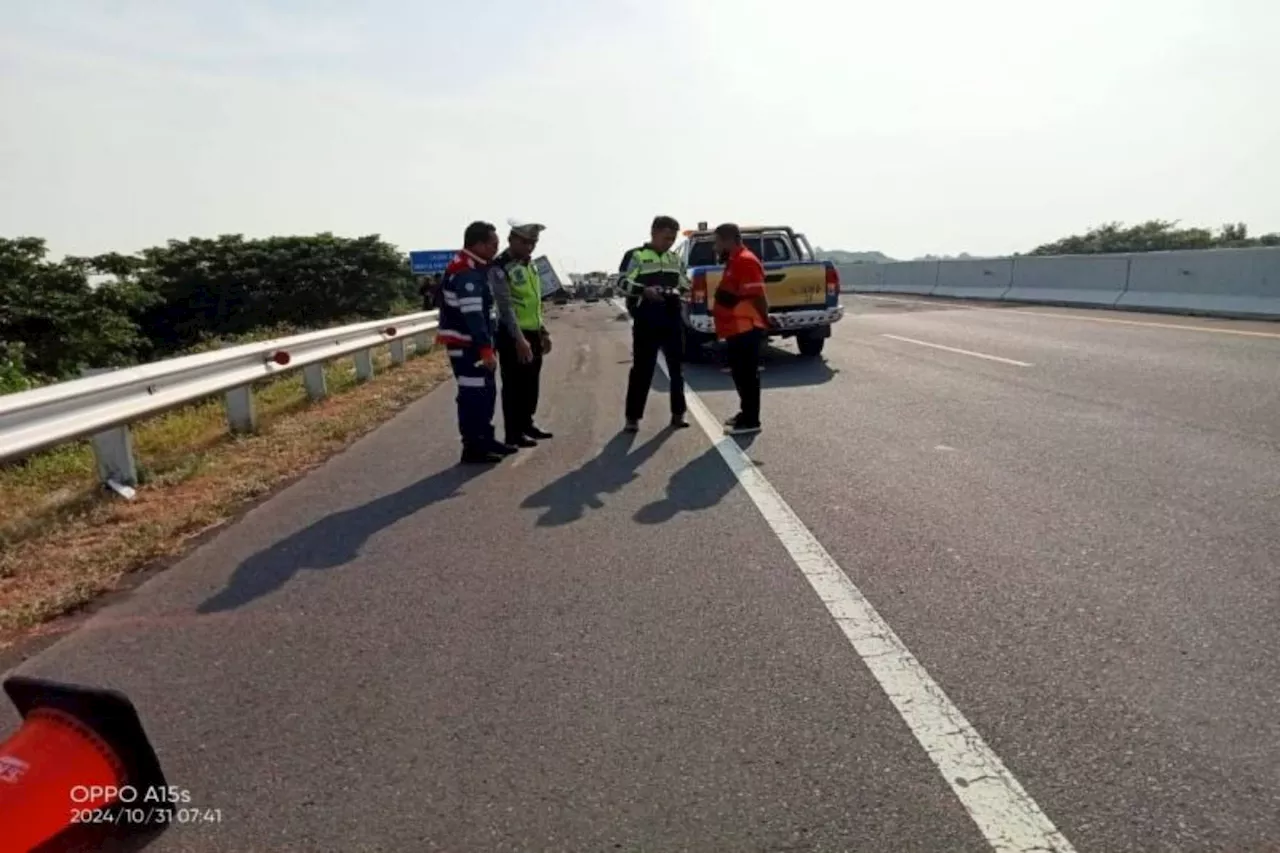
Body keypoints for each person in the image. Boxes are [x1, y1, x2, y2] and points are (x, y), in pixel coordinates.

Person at [436, 221, 517, 464]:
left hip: (476, 345)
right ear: (479, 244)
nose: (496, 248)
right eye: (493, 244)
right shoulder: (466, 272)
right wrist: (485, 349)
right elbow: (474, 316)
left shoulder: (476, 267)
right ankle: (473, 446)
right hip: (467, 347)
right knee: (474, 396)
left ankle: (485, 439)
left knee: (486, 392)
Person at [619, 215, 691, 432]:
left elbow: (684, 282)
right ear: (654, 232)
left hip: (671, 316)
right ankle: (633, 417)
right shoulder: (637, 255)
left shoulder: (675, 259)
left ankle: (678, 414)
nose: (669, 242)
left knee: (677, 369)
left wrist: (679, 290)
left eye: (672, 239)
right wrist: (644, 291)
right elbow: (622, 282)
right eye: (666, 237)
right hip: (646, 318)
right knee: (642, 369)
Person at [491, 220, 554, 448]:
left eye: (533, 242)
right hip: (513, 335)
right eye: (525, 241)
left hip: (533, 332)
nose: (530, 246)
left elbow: (534, 303)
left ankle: (527, 424)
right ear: (511, 240)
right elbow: (505, 307)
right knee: (514, 386)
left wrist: (543, 331)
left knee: (531, 383)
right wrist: (519, 339)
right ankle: (513, 434)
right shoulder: (500, 267)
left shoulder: (531, 265)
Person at [712, 222, 773, 435]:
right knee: (740, 374)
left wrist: (765, 320)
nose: (715, 248)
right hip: (735, 328)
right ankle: (745, 412)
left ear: (728, 240)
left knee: (747, 375)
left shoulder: (745, 262)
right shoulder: (734, 261)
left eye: (717, 242)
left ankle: (751, 420)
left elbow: (758, 295)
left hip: (746, 327)